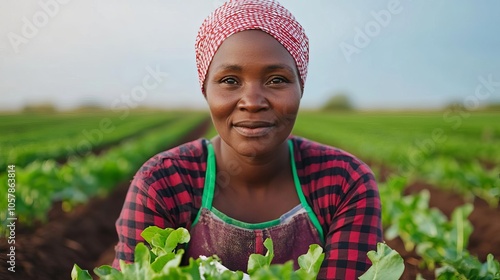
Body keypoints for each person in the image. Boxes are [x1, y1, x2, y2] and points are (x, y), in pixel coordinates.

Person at [112, 0, 383, 279]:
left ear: (301, 87)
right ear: (205, 89)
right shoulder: (163, 182)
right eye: (230, 80)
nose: (252, 102)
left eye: (276, 80)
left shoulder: (344, 181)